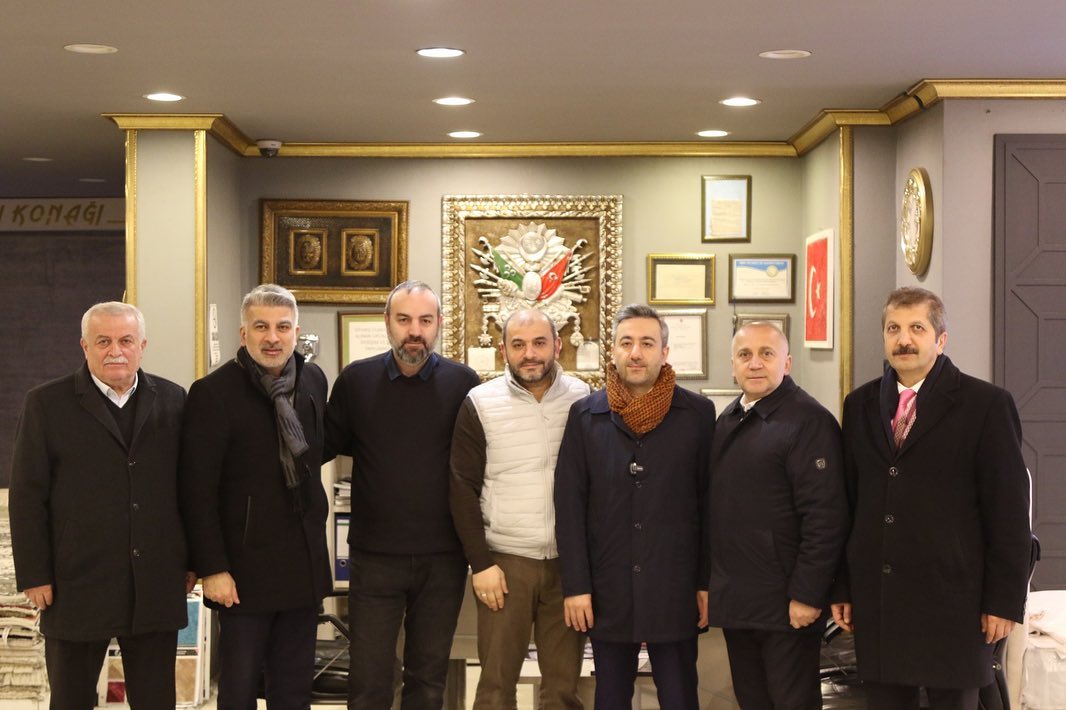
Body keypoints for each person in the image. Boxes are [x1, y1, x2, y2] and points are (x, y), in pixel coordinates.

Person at [831, 287, 1032, 709]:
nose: (903, 339)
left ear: (941, 340)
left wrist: (1004, 601)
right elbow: (846, 503)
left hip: (955, 603)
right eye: (893, 329)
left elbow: (1009, 513)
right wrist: (842, 585)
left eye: (916, 328)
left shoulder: (986, 405)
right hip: (880, 599)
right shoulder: (860, 404)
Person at [10, 301, 192, 709]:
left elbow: (189, 489)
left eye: (126, 340)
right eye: (103, 341)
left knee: (156, 701)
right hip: (75, 583)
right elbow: (27, 496)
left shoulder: (174, 399)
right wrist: (35, 574)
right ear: (84, 346)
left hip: (155, 583)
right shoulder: (45, 404)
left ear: (142, 345)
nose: (115, 351)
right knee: (71, 699)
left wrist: (192, 560)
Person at [324, 280, 480, 709]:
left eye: (425, 321)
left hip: (443, 558)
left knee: (427, 680)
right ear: (387, 322)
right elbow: (326, 446)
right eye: (404, 319)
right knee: (369, 679)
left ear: (439, 324)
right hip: (375, 557)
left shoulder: (464, 383)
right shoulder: (356, 380)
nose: (415, 331)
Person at [554, 304, 715, 709]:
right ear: (613, 351)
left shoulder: (698, 415)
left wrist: (706, 582)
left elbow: (709, 506)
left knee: (679, 697)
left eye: (647, 343)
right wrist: (577, 586)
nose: (636, 353)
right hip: (607, 589)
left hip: (674, 587)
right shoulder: (585, 416)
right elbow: (569, 507)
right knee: (610, 698)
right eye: (626, 343)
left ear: (665, 352)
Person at [179, 284, 331, 709]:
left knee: (294, 690)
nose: (272, 337)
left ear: (296, 331)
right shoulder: (212, 393)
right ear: (243, 333)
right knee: (240, 689)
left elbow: (315, 454)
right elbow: (196, 491)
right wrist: (213, 567)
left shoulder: (313, 380)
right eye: (261, 327)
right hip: (243, 570)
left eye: (282, 327)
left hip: (301, 563)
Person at [450, 309, 590, 709]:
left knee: (562, 690)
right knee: (495, 688)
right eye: (518, 345)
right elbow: (461, 488)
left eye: (539, 343)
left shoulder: (583, 398)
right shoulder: (480, 402)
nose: (530, 354)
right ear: (503, 351)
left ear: (557, 346)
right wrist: (481, 564)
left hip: (568, 567)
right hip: (505, 565)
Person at [707, 322, 849, 709]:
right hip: (738, 601)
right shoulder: (728, 419)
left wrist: (807, 594)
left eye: (766, 354)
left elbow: (826, 518)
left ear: (786, 363)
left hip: (788, 605)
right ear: (732, 366)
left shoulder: (809, 422)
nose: (755, 363)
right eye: (745, 355)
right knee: (752, 701)